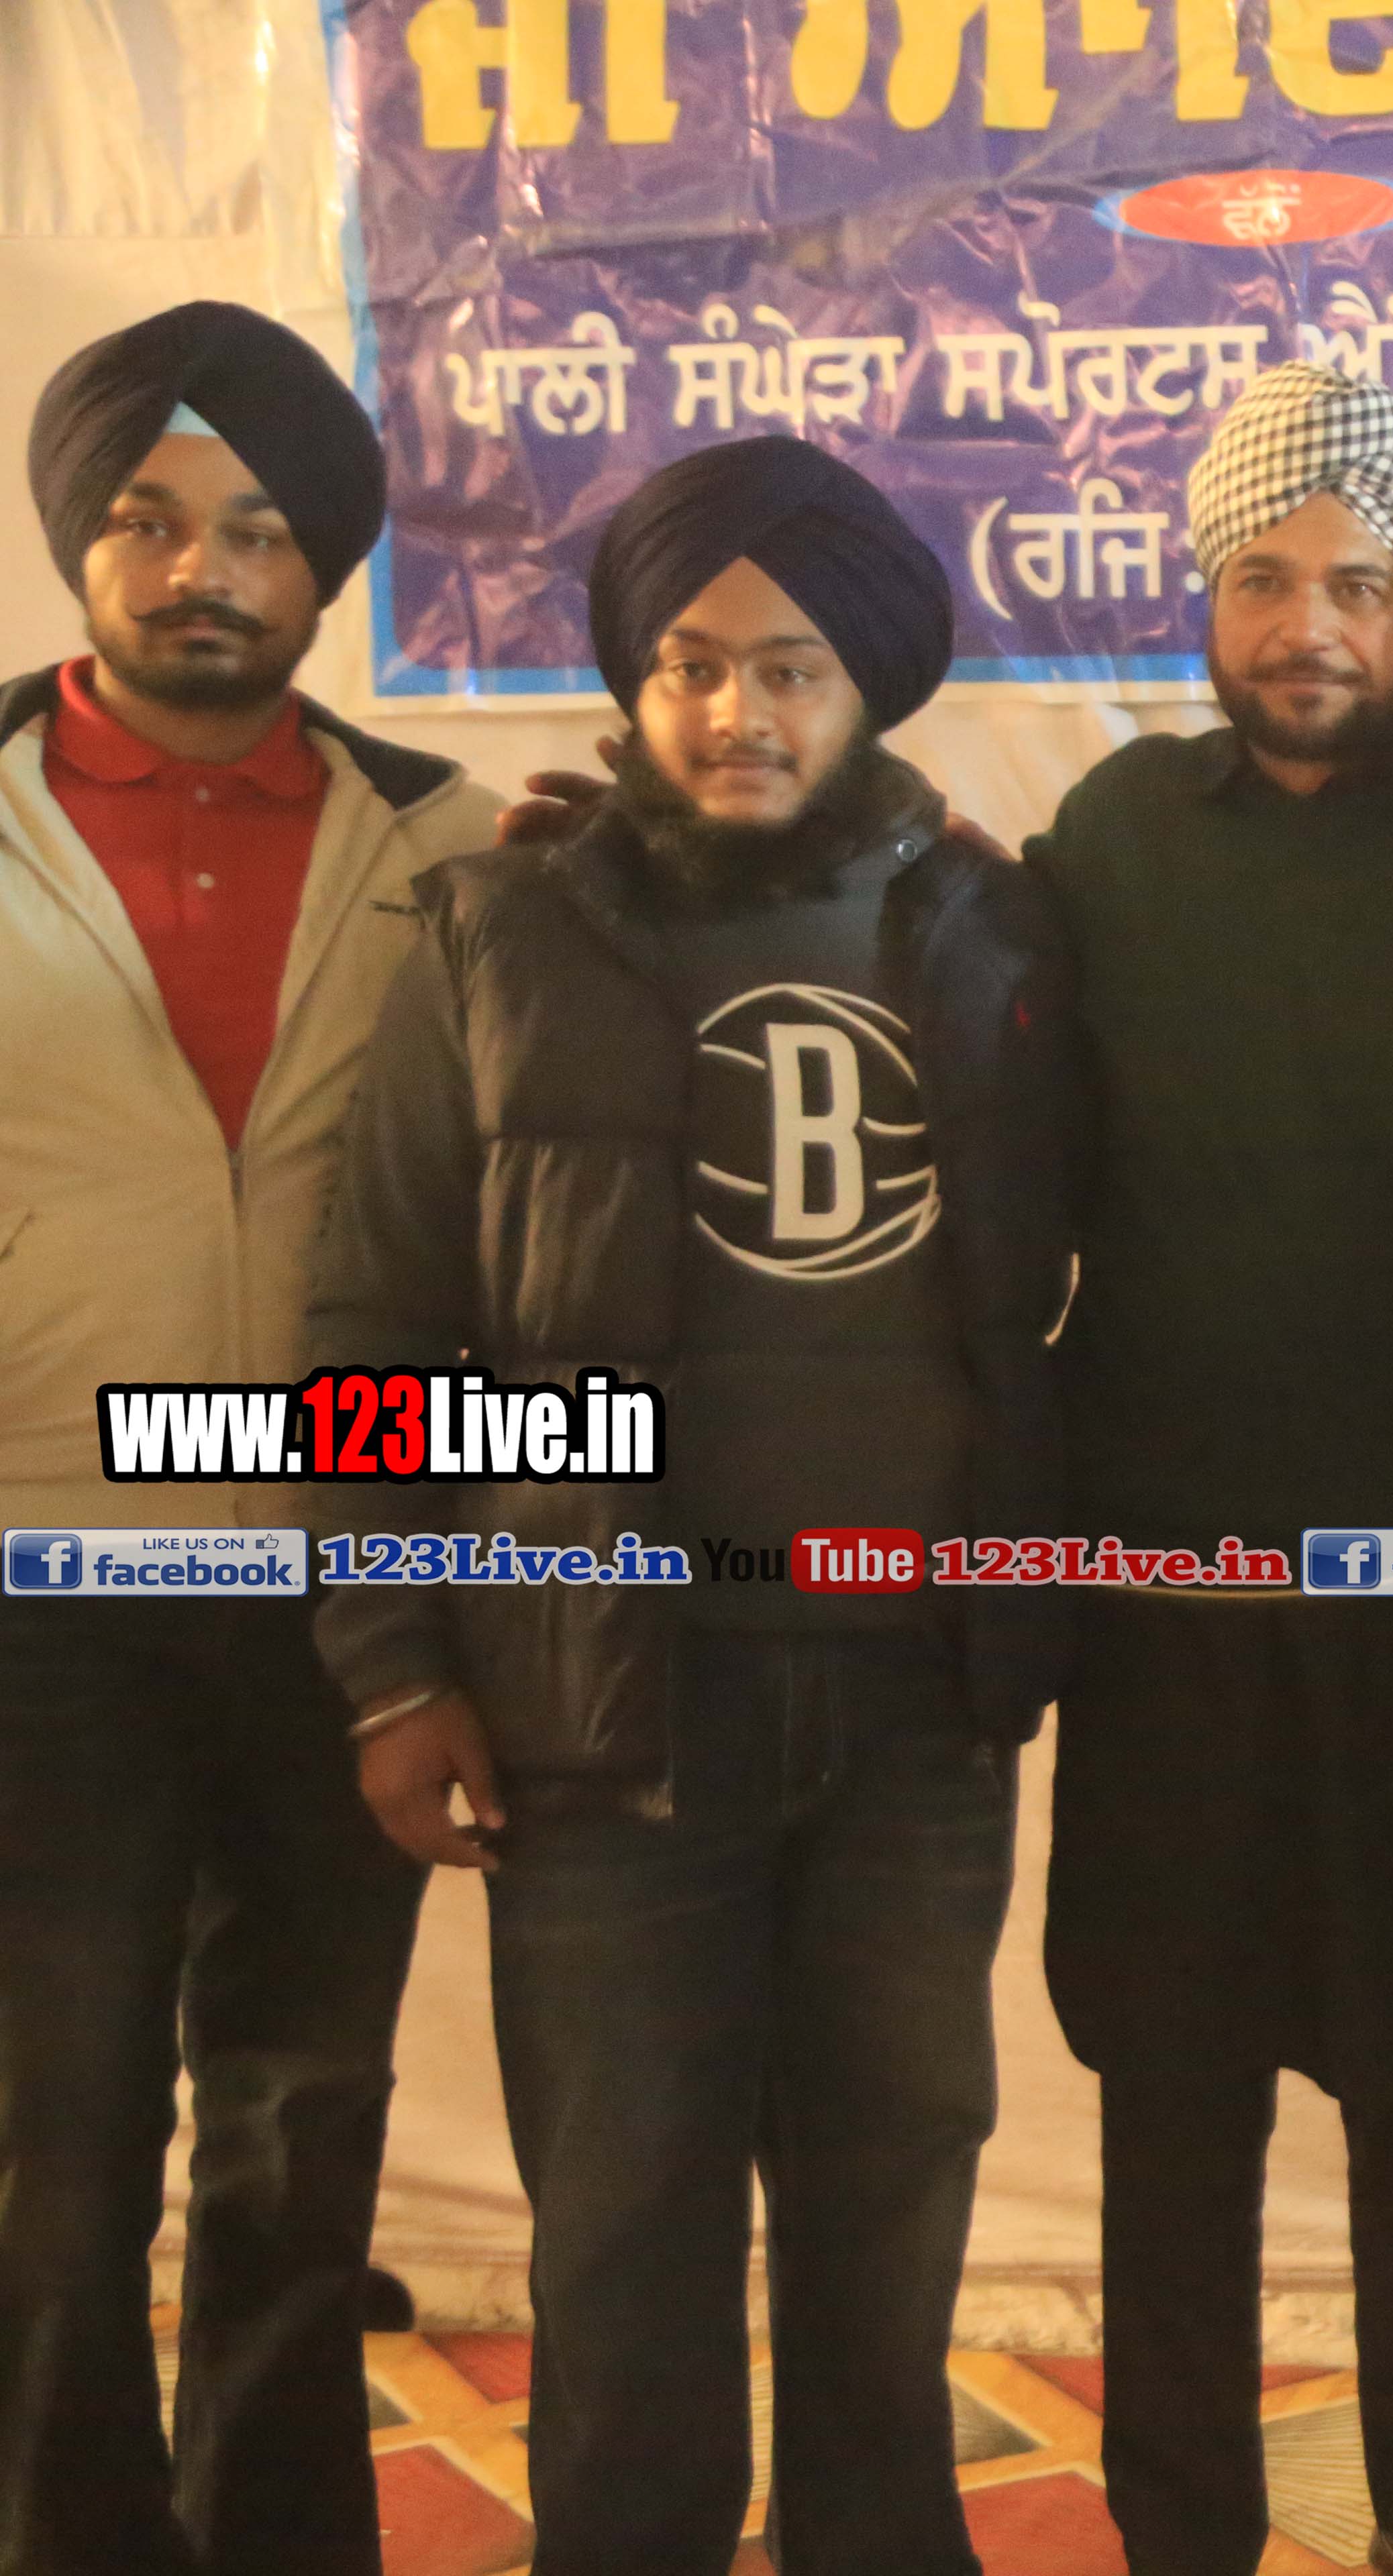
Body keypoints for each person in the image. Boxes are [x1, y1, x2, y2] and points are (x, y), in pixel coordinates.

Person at [301, 435, 1083, 2573]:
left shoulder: (996, 929)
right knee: (624, 2224)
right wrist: (391, 1665)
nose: (741, 711)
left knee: (895, 2202)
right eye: (694, 664)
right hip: (606, 1703)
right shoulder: (497, 930)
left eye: (795, 667)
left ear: (871, 685)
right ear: (634, 684)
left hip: (916, 1702)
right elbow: (377, 1335)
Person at [1023, 362, 1393, 2576]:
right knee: (1169, 2109)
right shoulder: (1113, 837)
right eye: (1264, 579)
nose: (1309, 627)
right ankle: (1181, 2535)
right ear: (1204, 594)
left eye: (1358, 584)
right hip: (1167, 1610)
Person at [0, 303, 503, 2576]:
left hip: (339, 1594)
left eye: (262, 530)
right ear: (78, 540)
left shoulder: (451, 846)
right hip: (46, 1593)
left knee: (306, 2133)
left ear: (328, 570)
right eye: (150, 519)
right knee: (57, 2141)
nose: (203, 569)